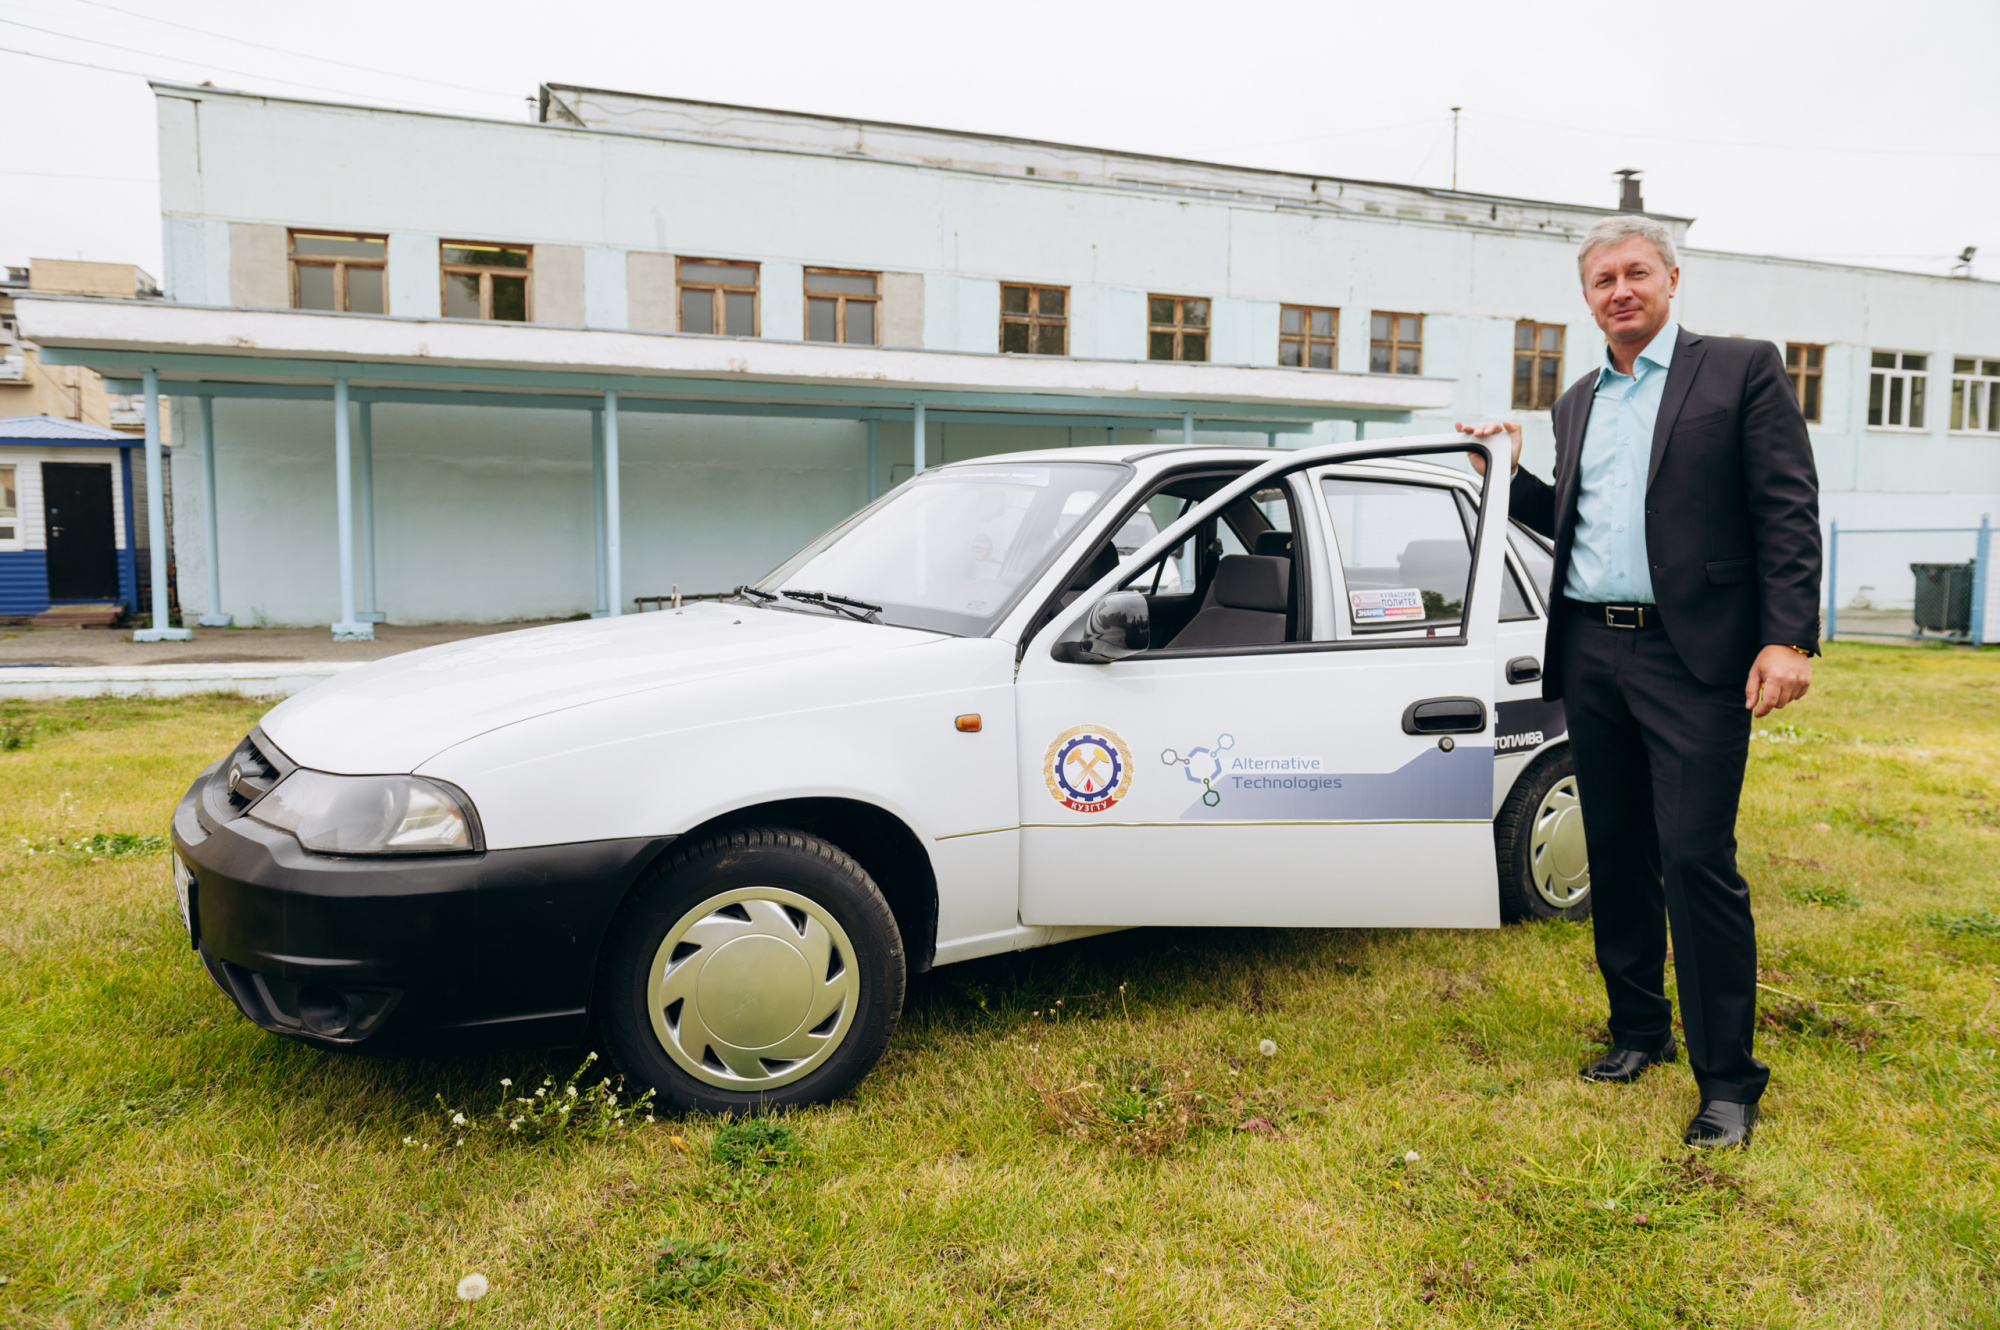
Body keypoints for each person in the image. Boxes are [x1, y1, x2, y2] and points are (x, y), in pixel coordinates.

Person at [1459, 213, 1821, 1149]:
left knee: (1696, 857)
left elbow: (1785, 506)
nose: (1619, 291)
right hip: (1591, 647)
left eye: (1635, 274)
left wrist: (1788, 639)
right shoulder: (1577, 399)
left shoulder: (1740, 368)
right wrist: (1502, 470)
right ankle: (1637, 1033)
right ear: (1587, 299)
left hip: (1692, 655)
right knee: (1614, 847)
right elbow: (1568, 520)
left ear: (1669, 280)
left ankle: (1730, 1082)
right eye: (1601, 281)